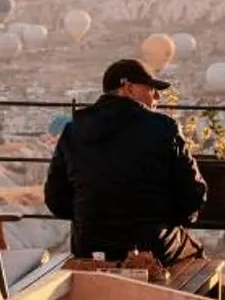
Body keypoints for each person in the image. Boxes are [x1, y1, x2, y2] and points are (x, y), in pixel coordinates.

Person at [44, 59, 207, 261]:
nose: (157, 96)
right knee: (196, 253)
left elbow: (55, 199)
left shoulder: (74, 129)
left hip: (88, 248)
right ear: (128, 88)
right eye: (151, 89)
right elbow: (193, 195)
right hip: (151, 248)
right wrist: (169, 219)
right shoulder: (164, 128)